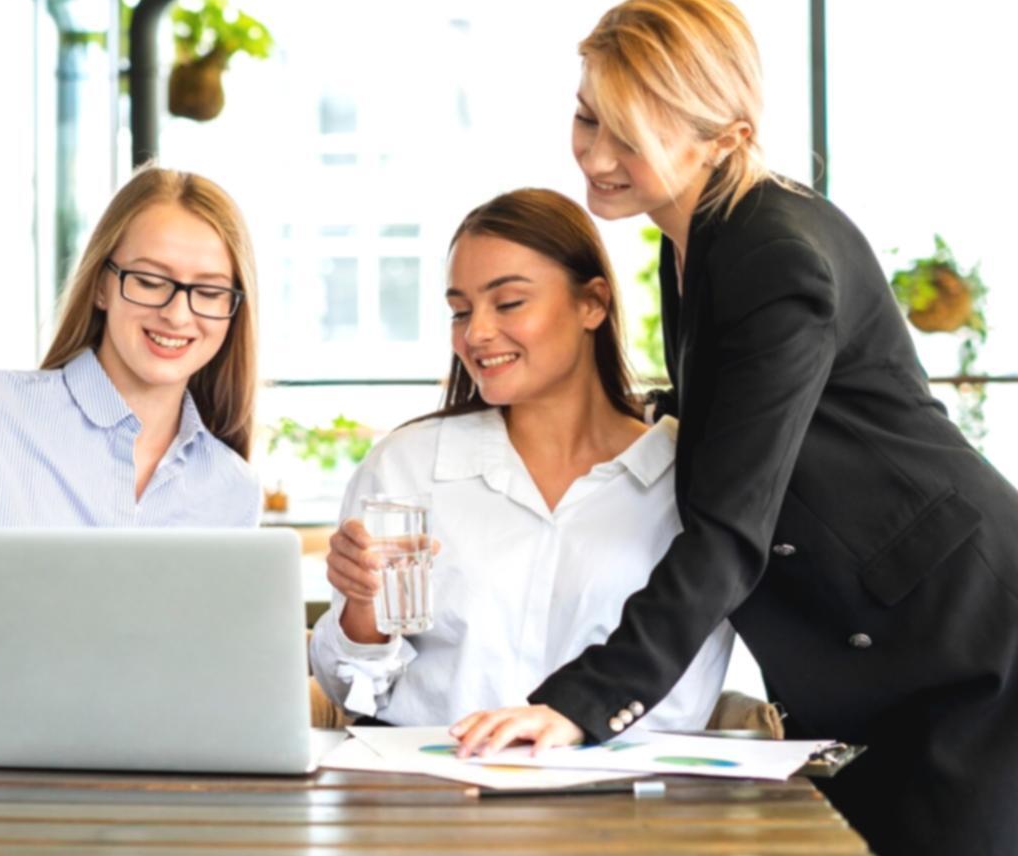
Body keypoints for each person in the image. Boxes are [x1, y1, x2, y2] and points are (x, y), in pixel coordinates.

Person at [450, 0, 1018, 856]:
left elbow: (728, 531)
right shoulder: (701, 239)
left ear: (721, 133)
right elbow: (735, 411)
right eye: (586, 117)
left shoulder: (773, 253)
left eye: (624, 133)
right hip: (890, 633)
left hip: (960, 644)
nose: (592, 153)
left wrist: (581, 702)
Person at [310, 188, 734, 731]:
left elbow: (687, 690)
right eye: (460, 311)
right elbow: (355, 693)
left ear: (593, 303)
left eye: (508, 303)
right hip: (431, 794)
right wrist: (361, 611)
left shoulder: (689, 477)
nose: (476, 334)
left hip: (628, 798)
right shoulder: (407, 467)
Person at [0, 166, 263, 716]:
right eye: (149, 280)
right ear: (102, 284)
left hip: (142, 780)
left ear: (232, 309)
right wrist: (37, 707)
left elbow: (210, 671)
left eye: (209, 291)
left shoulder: (231, 489)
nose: (177, 312)